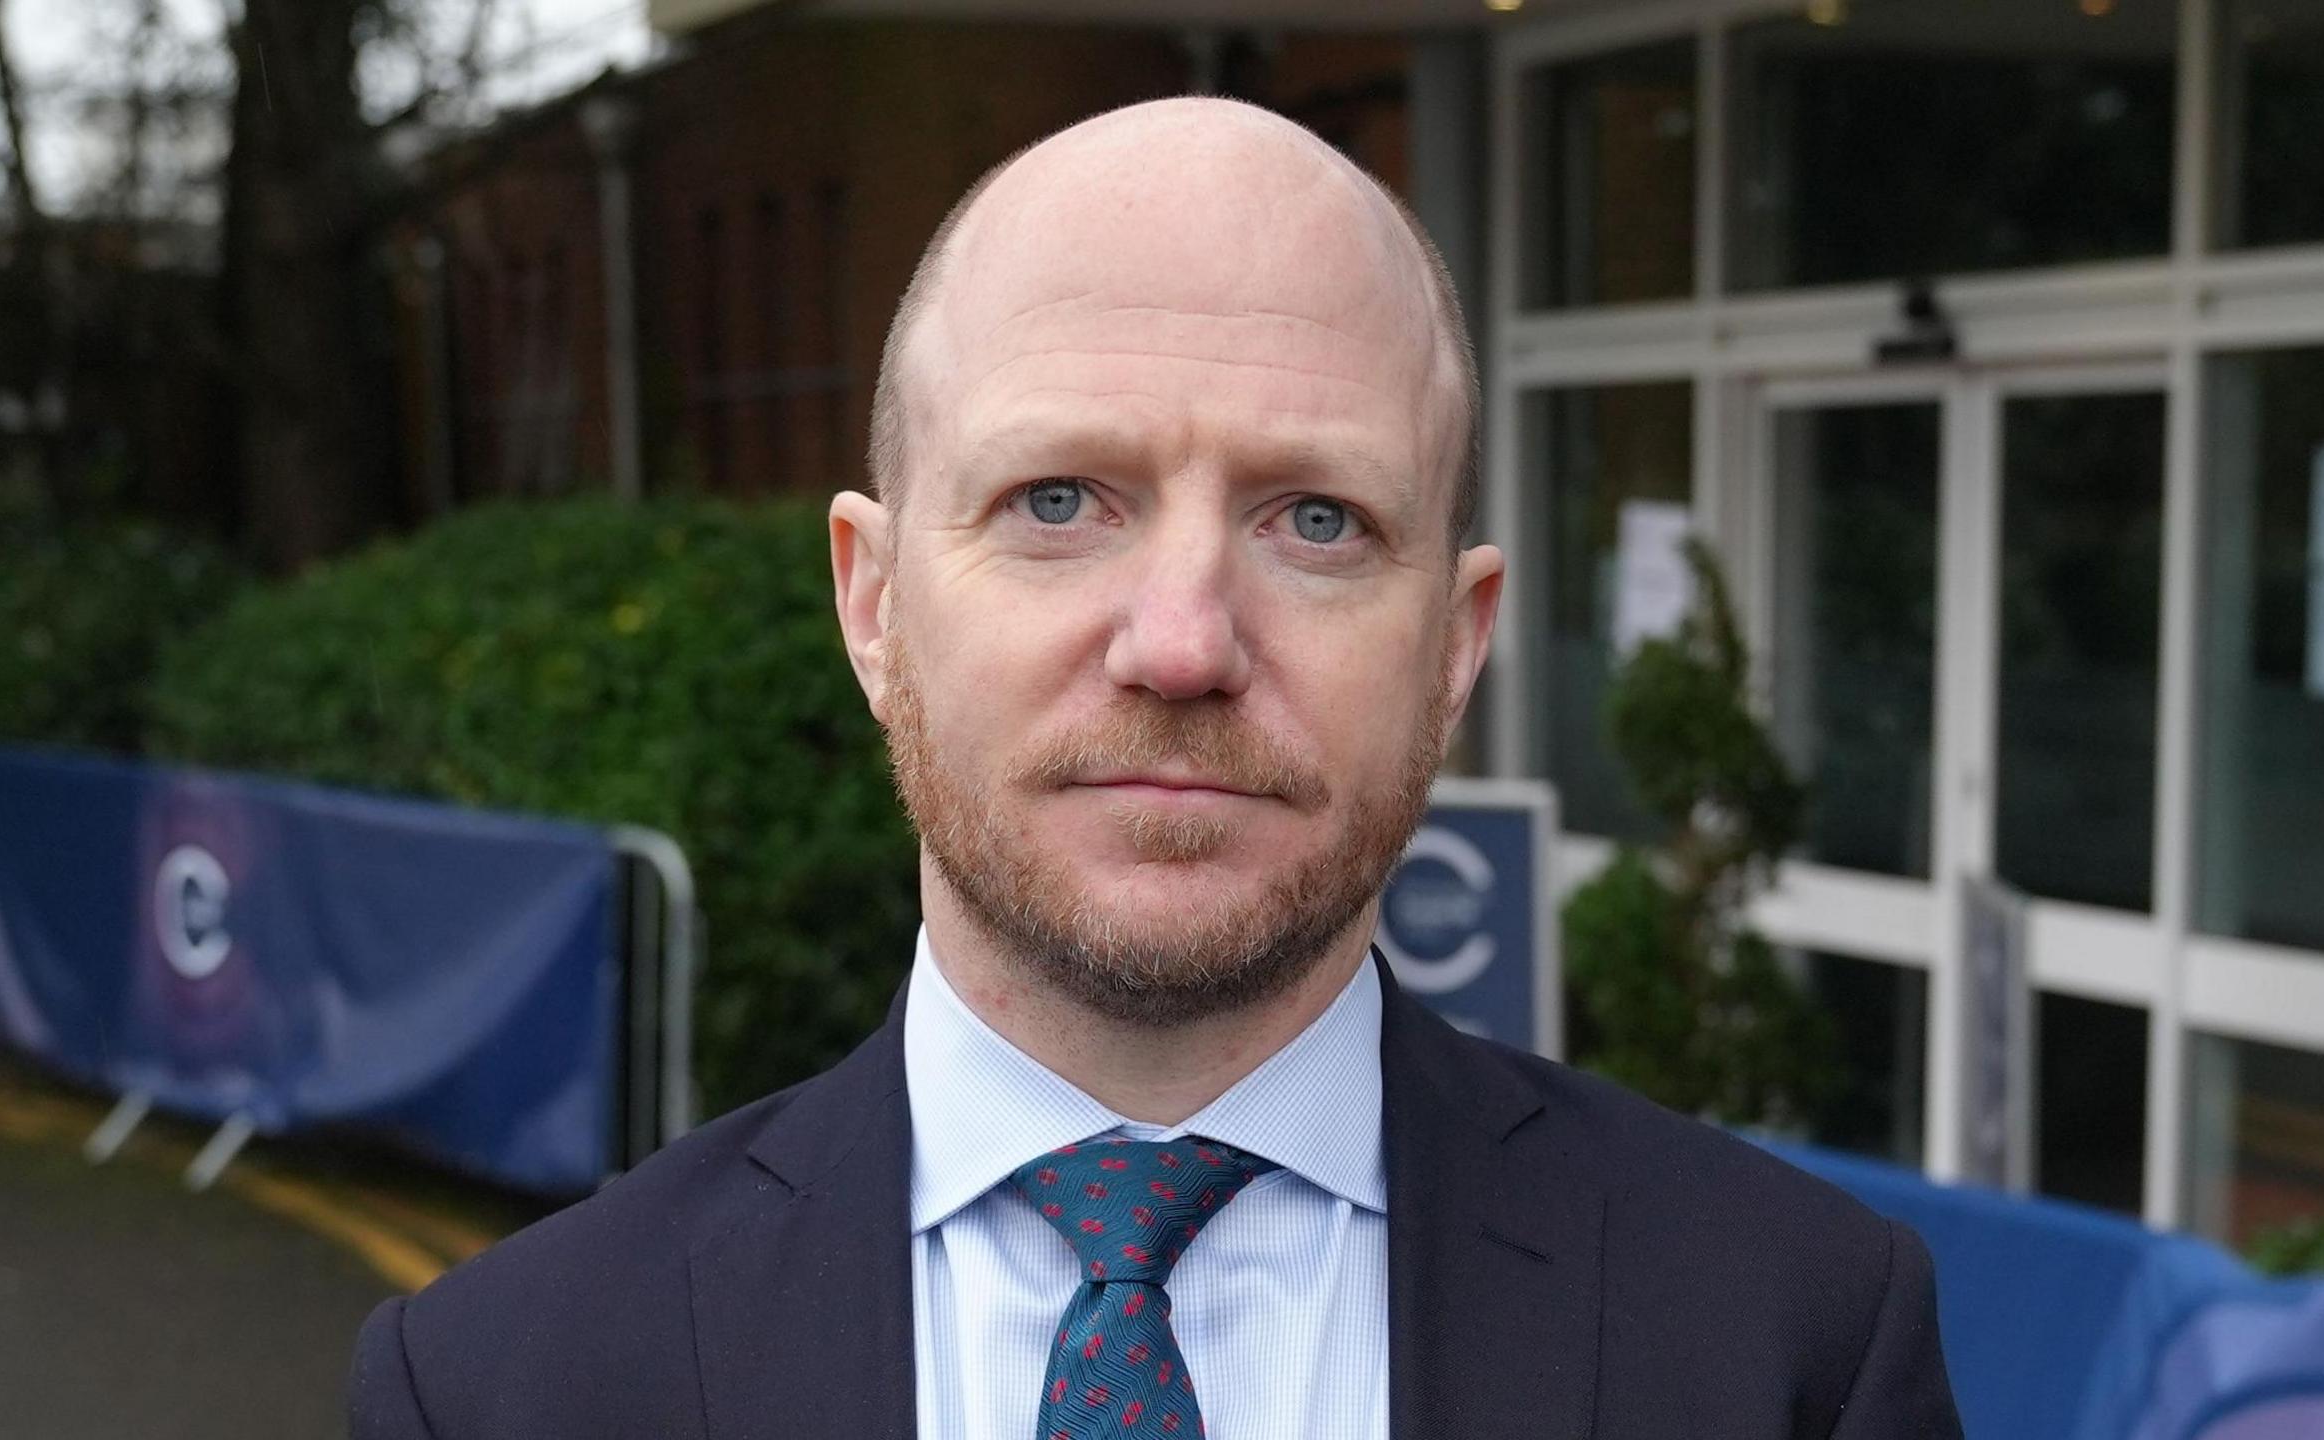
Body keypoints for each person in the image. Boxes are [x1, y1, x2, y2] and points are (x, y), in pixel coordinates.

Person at [348, 96, 1961, 1440]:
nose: (1182, 643)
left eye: (1316, 520)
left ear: (1457, 644)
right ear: (875, 602)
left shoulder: (1799, 1347)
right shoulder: (498, 1389)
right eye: (1060, 500)